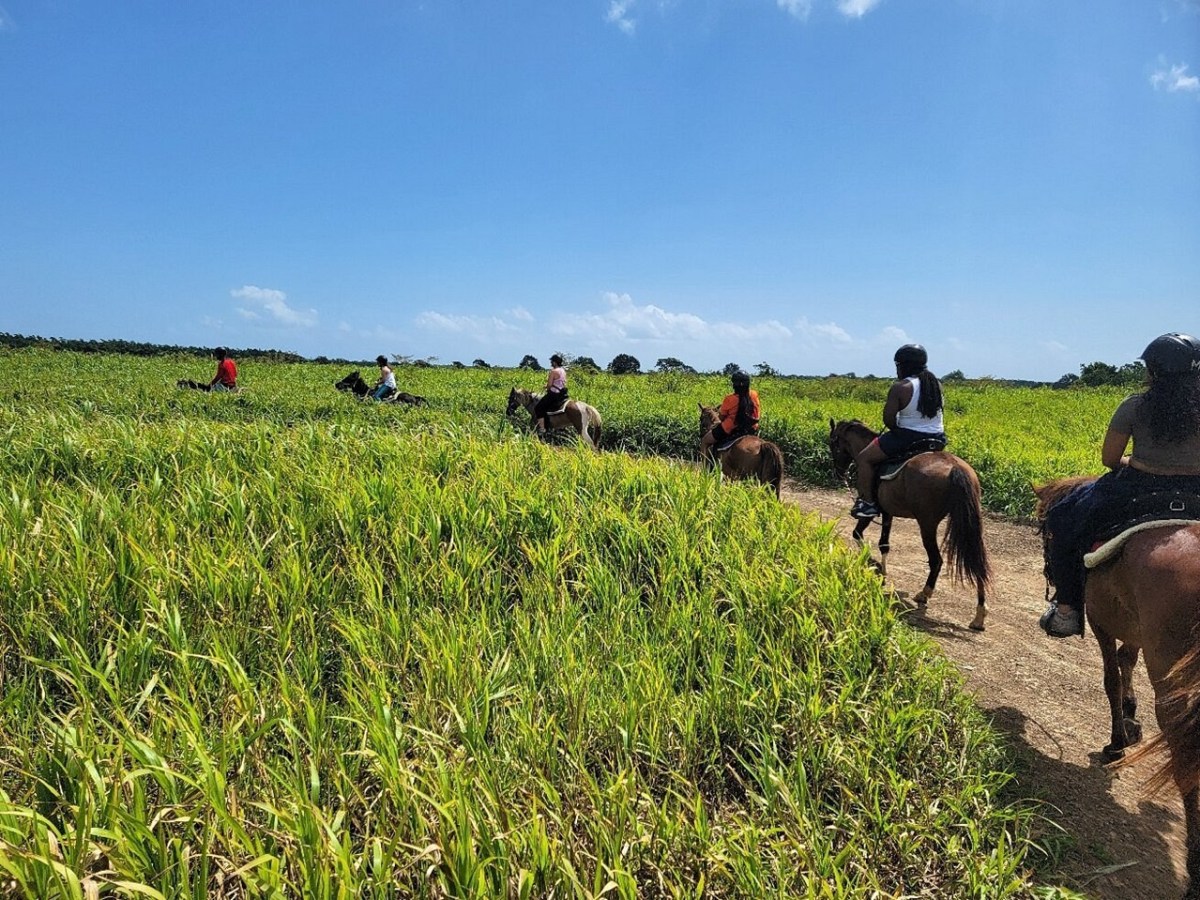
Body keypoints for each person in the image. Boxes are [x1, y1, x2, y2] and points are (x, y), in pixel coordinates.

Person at [1040, 332, 1200, 638]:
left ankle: (1067, 610)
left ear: (1153, 370)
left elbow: (1110, 458)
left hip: (1139, 487)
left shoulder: (1134, 405)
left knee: (1062, 517)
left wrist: (1137, 463)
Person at [850, 344, 947, 520]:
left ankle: (867, 504)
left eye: (897, 366)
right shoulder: (936, 384)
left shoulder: (901, 387)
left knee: (864, 458)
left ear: (903, 365)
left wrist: (896, 430)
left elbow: (888, 420)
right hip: (938, 438)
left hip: (908, 437)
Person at [700, 370, 760, 467]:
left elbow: (721, 417)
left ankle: (705, 471)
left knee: (705, 441)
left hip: (730, 429)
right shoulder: (754, 395)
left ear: (734, 385)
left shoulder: (729, 399)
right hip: (751, 429)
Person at [533, 354, 569, 435]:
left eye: (552, 362)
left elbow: (549, 385)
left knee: (538, 408)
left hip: (554, 394)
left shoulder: (553, 371)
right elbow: (560, 382)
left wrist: (547, 388)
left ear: (555, 362)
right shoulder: (563, 371)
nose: (551, 363)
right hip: (562, 393)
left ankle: (542, 429)